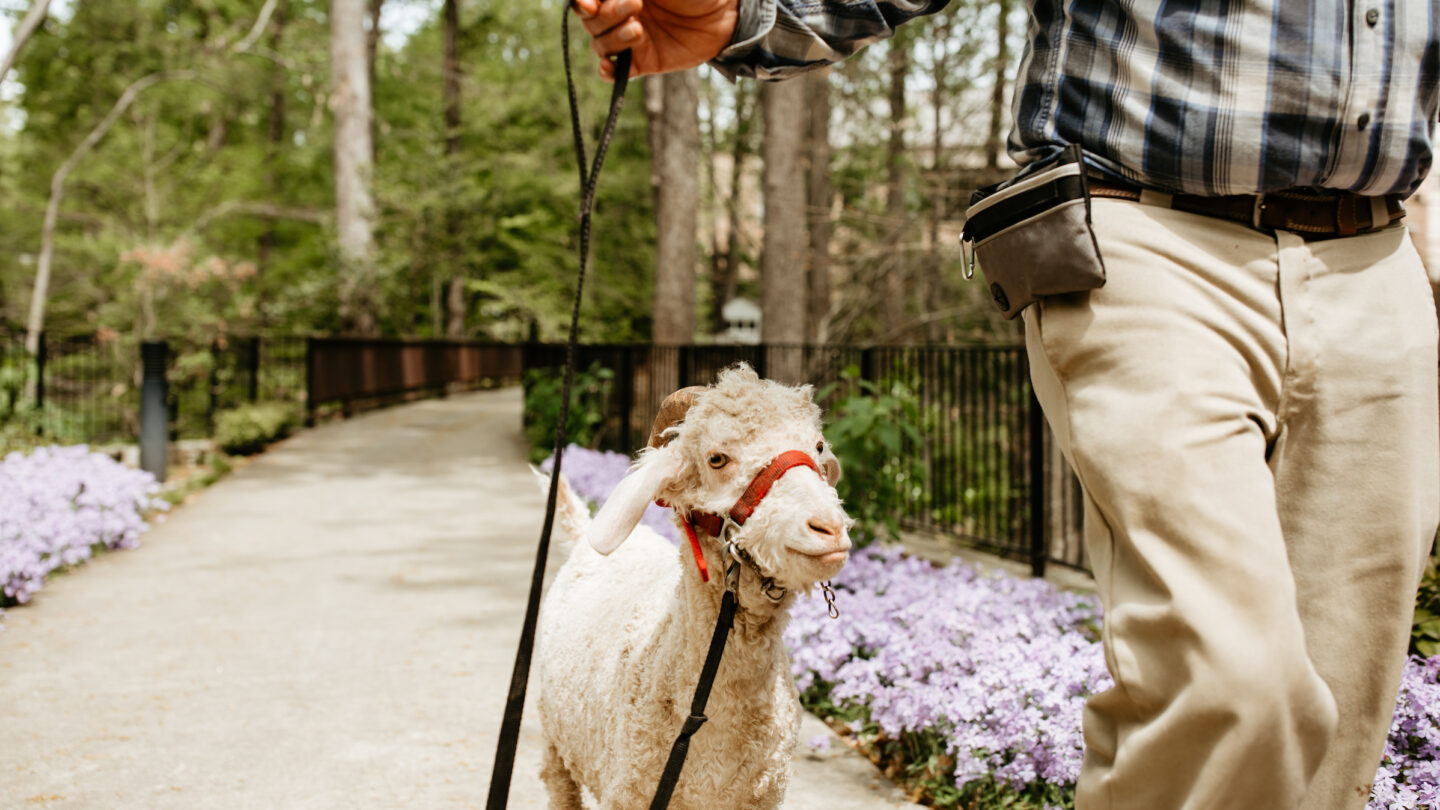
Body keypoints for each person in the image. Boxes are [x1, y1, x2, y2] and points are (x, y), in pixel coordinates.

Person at [568, 1, 1440, 808]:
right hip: (1147, 226)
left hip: (1380, 253)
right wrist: (752, 14)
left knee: (1343, 713)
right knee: (1231, 685)